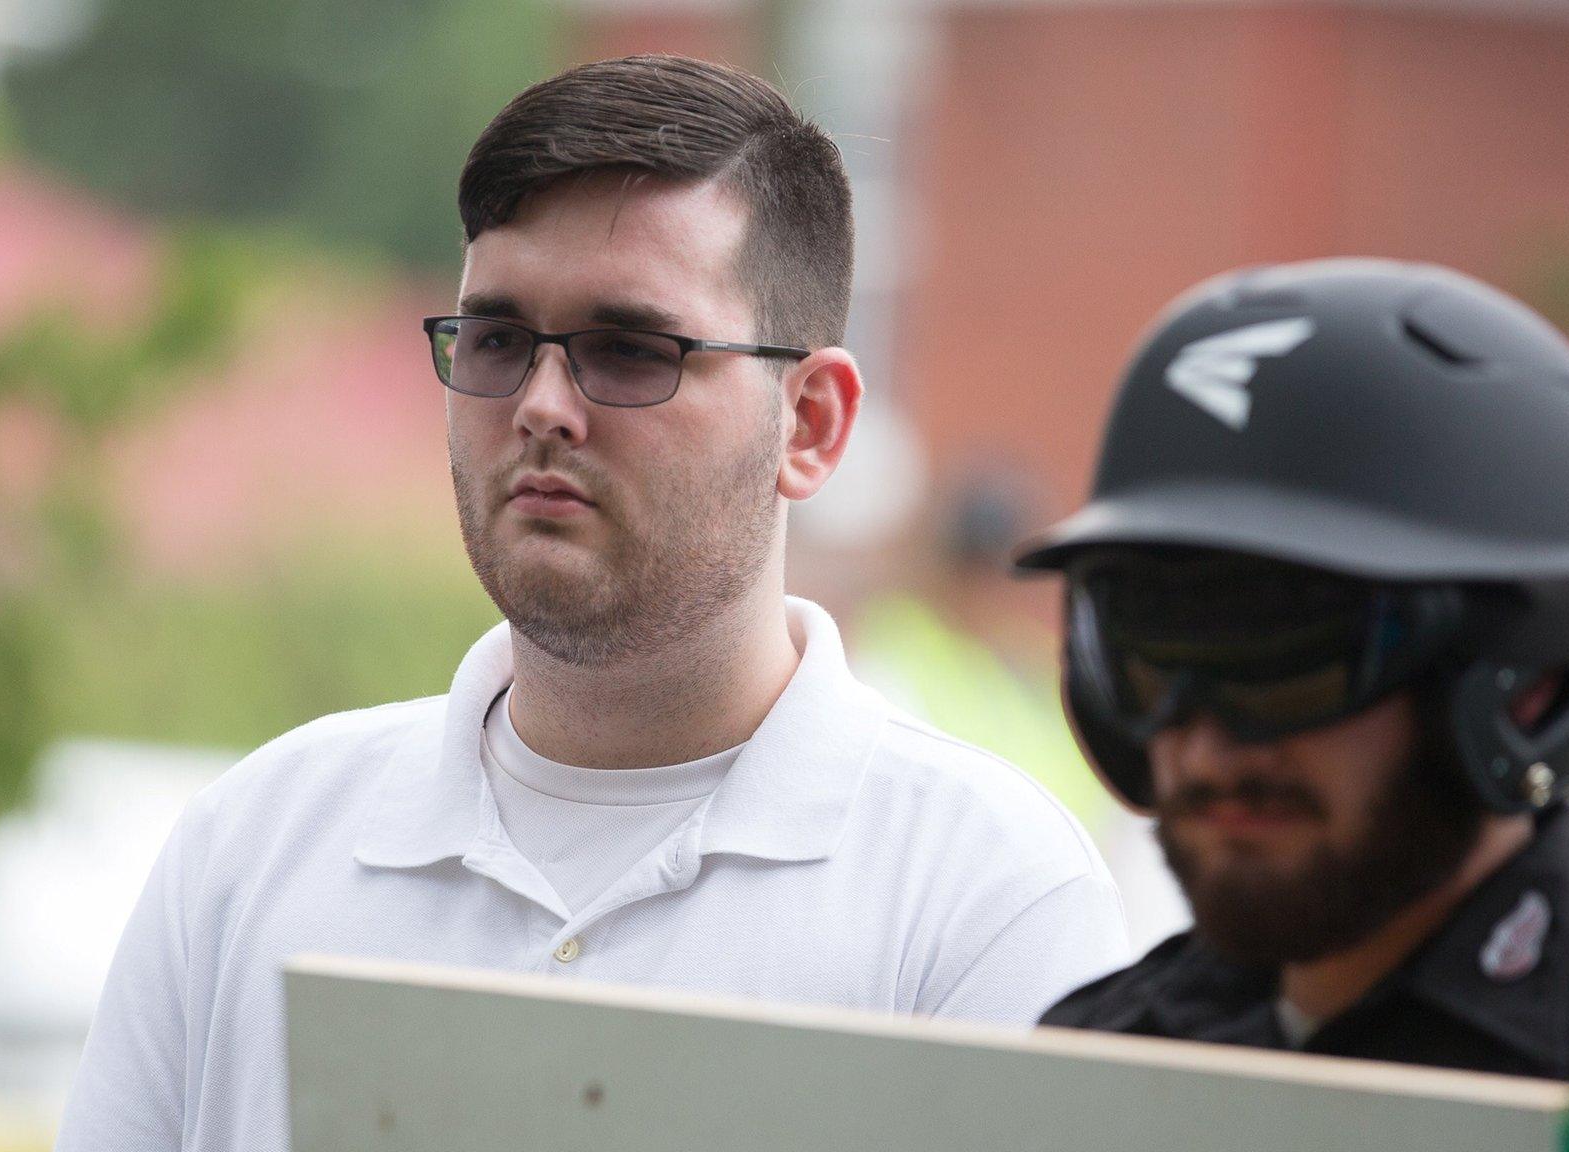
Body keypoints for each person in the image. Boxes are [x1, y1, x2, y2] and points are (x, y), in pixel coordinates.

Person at [55, 55, 1129, 1152]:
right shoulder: (252, 849)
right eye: (497, 339)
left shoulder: (984, 897)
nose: (541, 406)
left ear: (809, 425)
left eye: (628, 349)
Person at [1022, 258, 1569, 1150]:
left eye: (1289, 656)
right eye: (1155, 654)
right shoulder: (1104, 1060)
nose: (1203, 751)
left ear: (1525, 679)